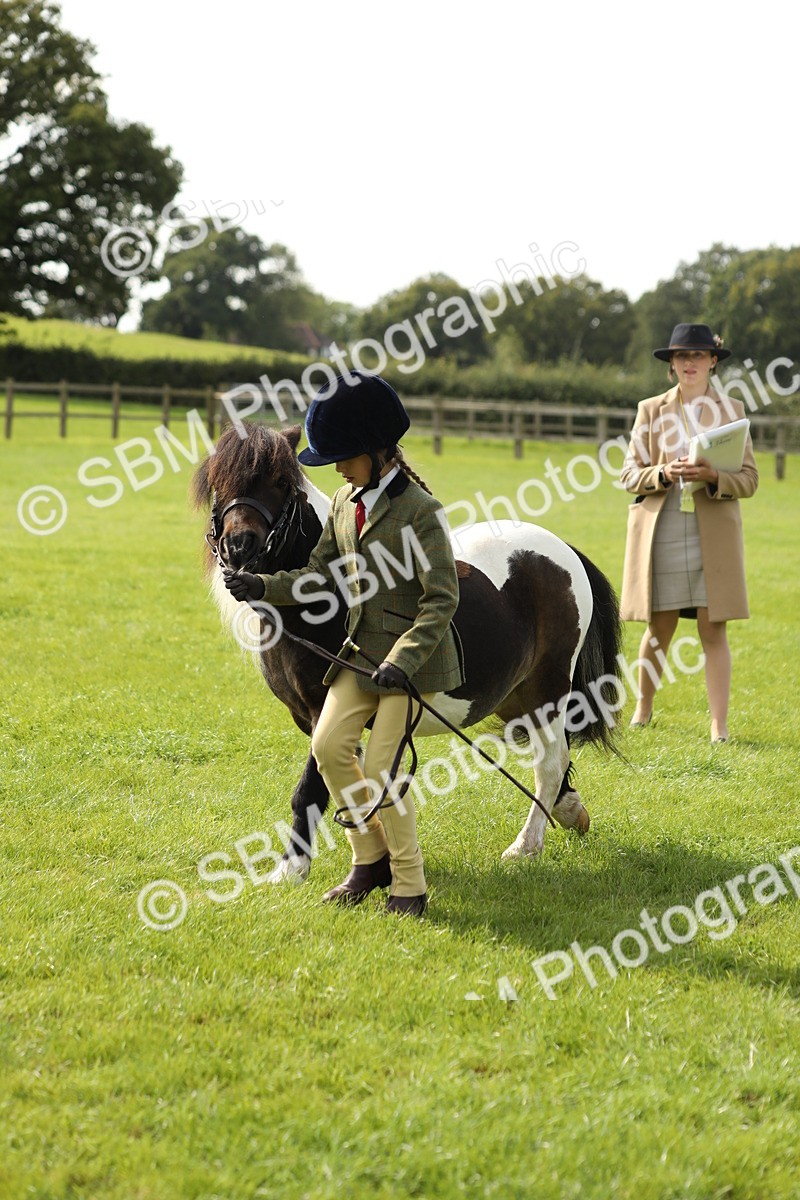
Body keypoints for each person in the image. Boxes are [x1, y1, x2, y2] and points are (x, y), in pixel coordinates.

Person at [223, 371, 464, 917]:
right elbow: (315, 574)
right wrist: (260, 586)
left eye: (343, 456)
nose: (335, 468)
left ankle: (410, 884)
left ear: (378, 452)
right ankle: (368, 859)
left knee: (381, 773)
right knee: (328, 746)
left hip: (410, 663)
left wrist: (402, 662)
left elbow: (441, 601)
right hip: (358, 657)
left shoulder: (421, 512)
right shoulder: (342, 501)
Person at [619, 323, 758, 742]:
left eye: (697, 355)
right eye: (682, 356)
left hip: (711, 532)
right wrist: (663, 471)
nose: (689, 363)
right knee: (659, 627)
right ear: (672, 364)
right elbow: (628, 475)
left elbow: (749, 480)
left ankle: (719, 726)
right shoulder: (650, 409)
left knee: (712, 628)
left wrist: (714, 474)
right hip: (662, 529)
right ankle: (643, 709)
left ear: (713, 361)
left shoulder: (733, 411)